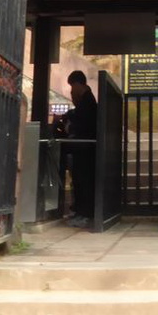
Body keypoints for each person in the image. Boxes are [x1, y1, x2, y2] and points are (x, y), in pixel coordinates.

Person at [58, 70, 97, 228]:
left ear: (80, 84)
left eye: (73, 87)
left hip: (84, 148)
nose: (71, 92)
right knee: (79, 181)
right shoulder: (85, 101)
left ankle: (84, 213)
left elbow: (82, 123)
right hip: (82, 148)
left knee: (83, 181)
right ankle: (80, 211)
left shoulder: (87, 102)